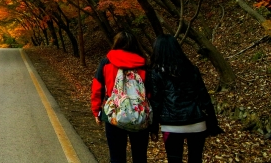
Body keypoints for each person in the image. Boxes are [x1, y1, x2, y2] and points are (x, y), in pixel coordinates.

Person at [149, 35, 223, 163]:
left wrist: (153, 127)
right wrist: (212, 121)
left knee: (174, 160)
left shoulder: (156, 74)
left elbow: (156, 102)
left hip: (171, 125)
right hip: (197, 122)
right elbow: (204, 97)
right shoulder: (192, 70)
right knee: (195, 159)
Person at [91, 31, 150, 163]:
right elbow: (150, 92)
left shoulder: (106, 62)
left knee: (116, 156)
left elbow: (97, 88)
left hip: (114, 113)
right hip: (139, 114)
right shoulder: (143, 64)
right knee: (140, 157)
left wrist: (96, 111)